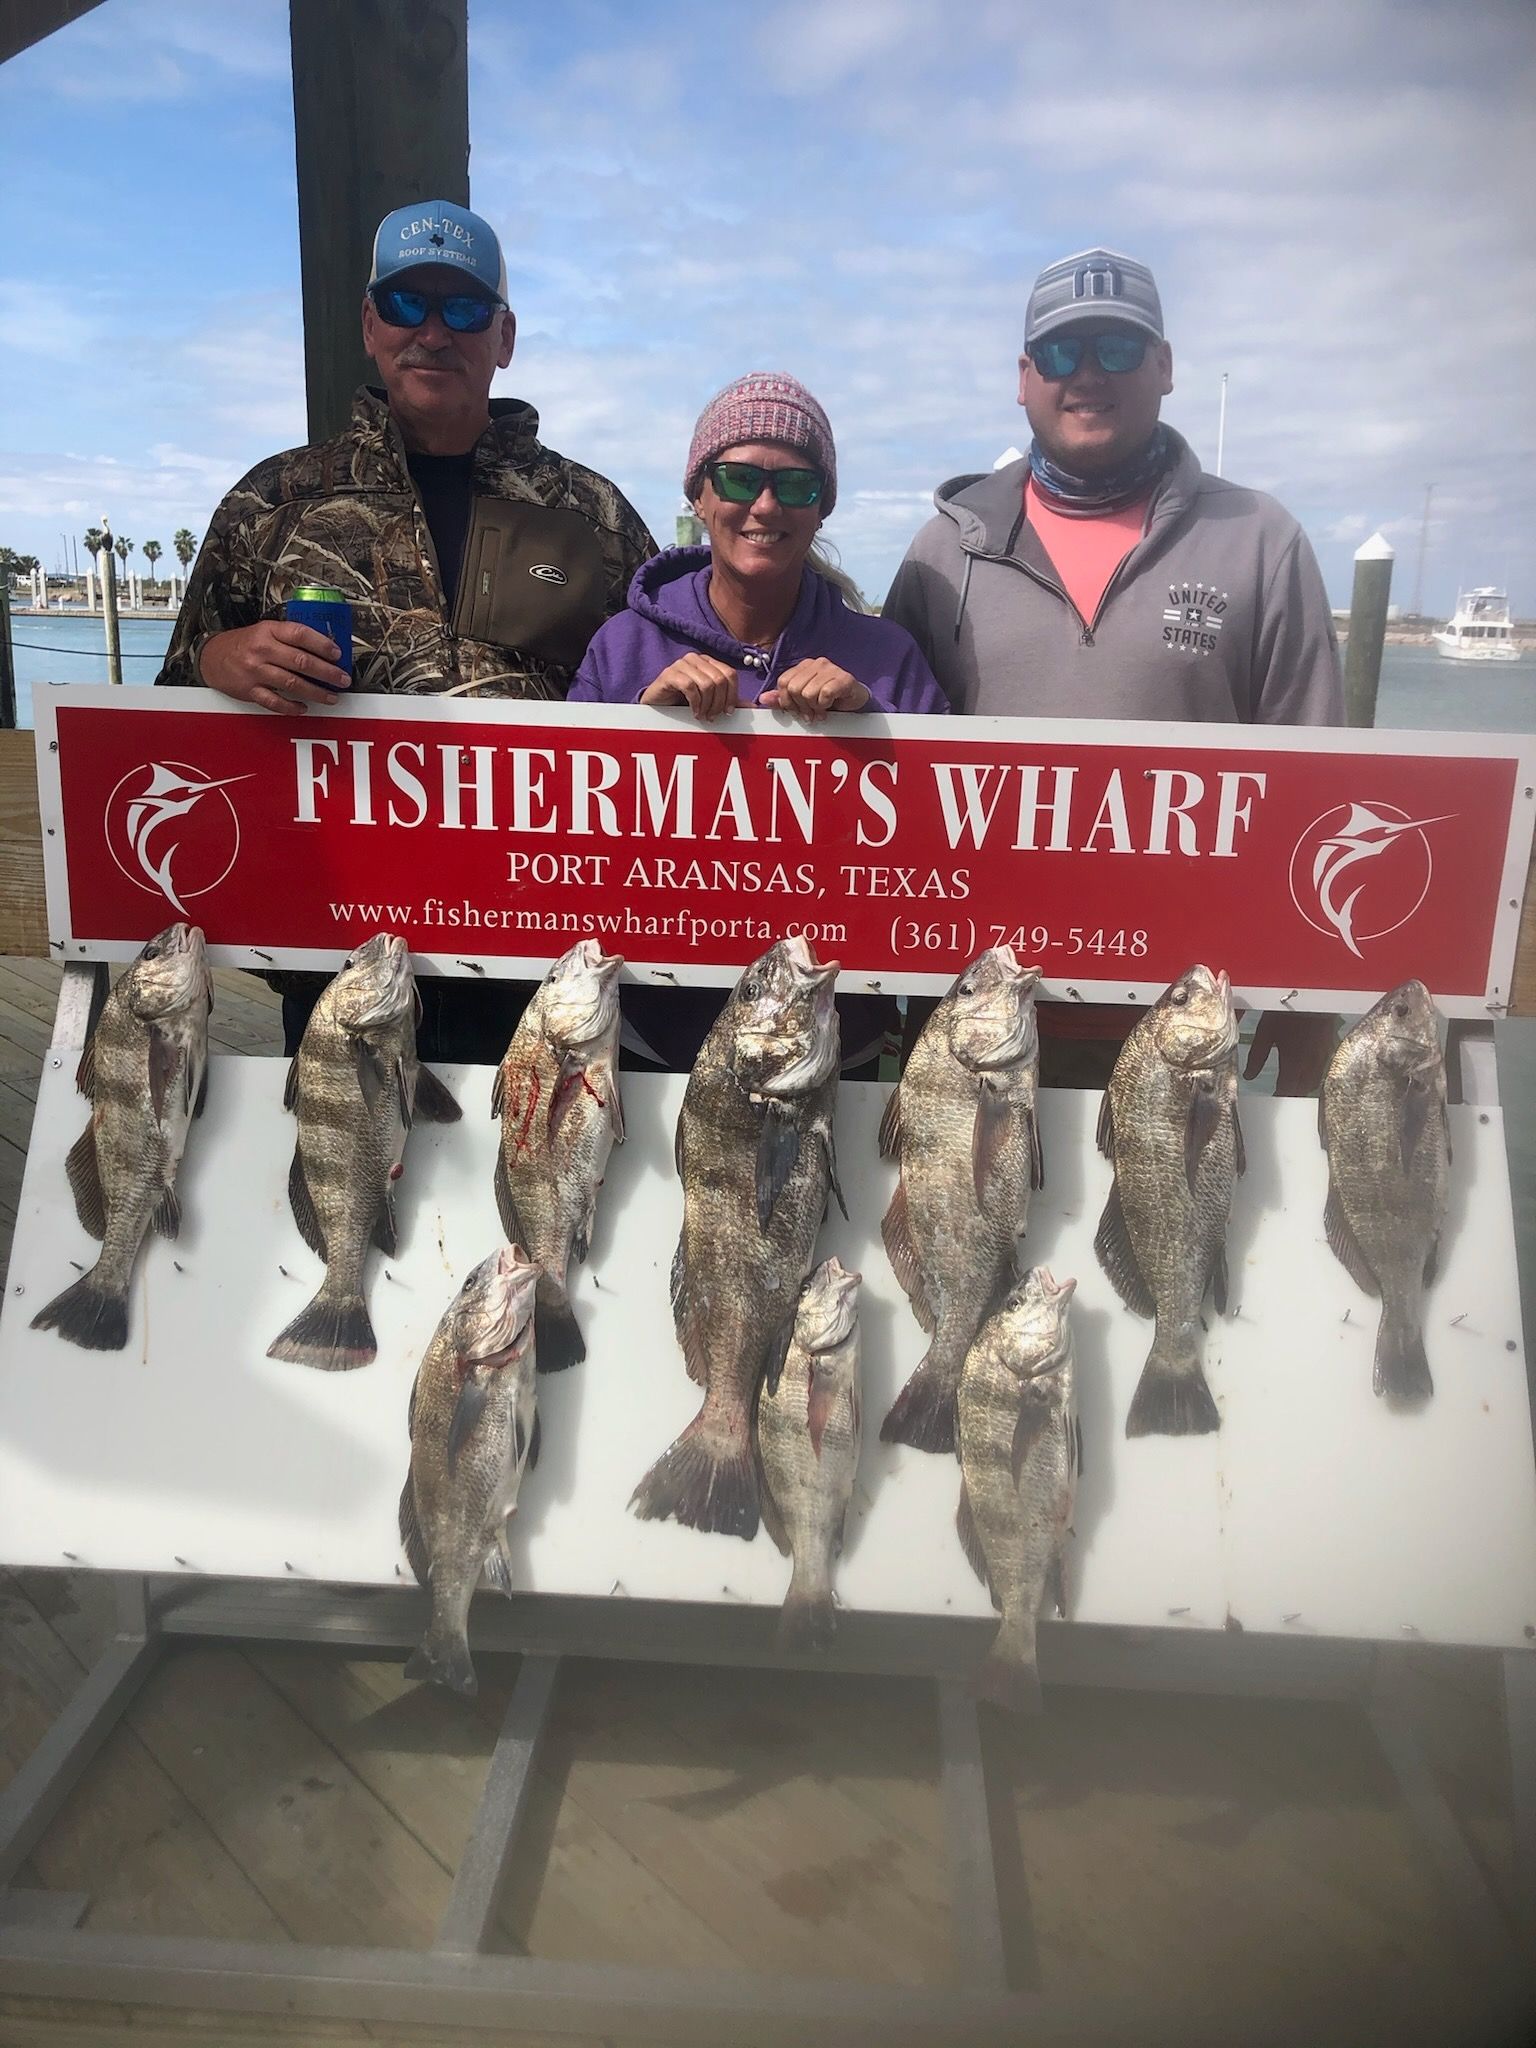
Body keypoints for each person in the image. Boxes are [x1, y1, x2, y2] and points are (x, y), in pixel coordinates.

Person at [156, 199, 655, 1061]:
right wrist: (219, 658)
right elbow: (167, 712)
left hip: (543, 967)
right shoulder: (272, 502)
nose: (433, 332)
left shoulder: (594, 514)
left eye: (463, 308)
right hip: (339, 955)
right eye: (406, 303)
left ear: (503, 336)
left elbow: (668, 702)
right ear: (369, 325)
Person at [884, 247, 1344, 1091]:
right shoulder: (942, 550)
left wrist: (1314, 994)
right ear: (1024, 377)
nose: (1088, 374)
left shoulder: (1262, 539)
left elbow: (1317, 785)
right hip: (970, 1016)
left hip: (1181, 1025)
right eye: (1061, 351)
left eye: (1118, 348)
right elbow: (877, 784)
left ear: (1164, 366)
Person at [570, 370, 948, 1072]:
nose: (766, 505)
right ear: (699, 494)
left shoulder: (888, 655)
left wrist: (873, 723)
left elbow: (953, 849)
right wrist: (638, 735)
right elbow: (561, 843)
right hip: (651, 1042)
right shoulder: (622, 646)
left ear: (822, 508)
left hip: (833, 1051)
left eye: (797, 486)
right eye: (740, 478)